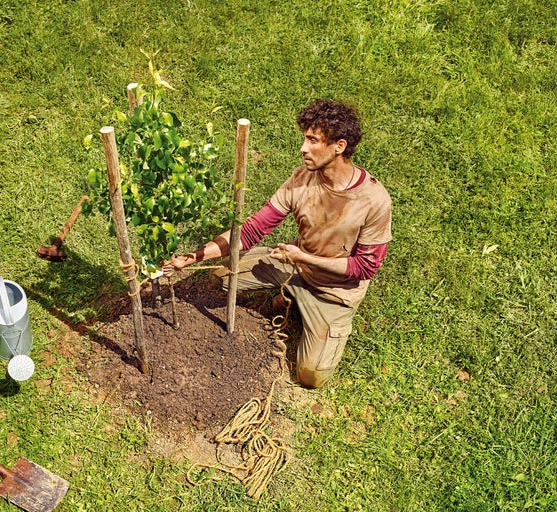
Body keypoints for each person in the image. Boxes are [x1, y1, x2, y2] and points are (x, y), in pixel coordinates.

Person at [162, 99, 392, 388]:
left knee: (312, 377)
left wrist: (304, 258)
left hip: (334, 293)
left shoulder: (374, 200)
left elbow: (364, 267)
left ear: (339, 146)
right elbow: (252, 230)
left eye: (313, 141)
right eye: (304, 139)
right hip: (293, 264)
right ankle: (290, 292)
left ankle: (308, 311)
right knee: (219, 278)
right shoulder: (301, 178)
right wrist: (192, 257)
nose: (303, 148)